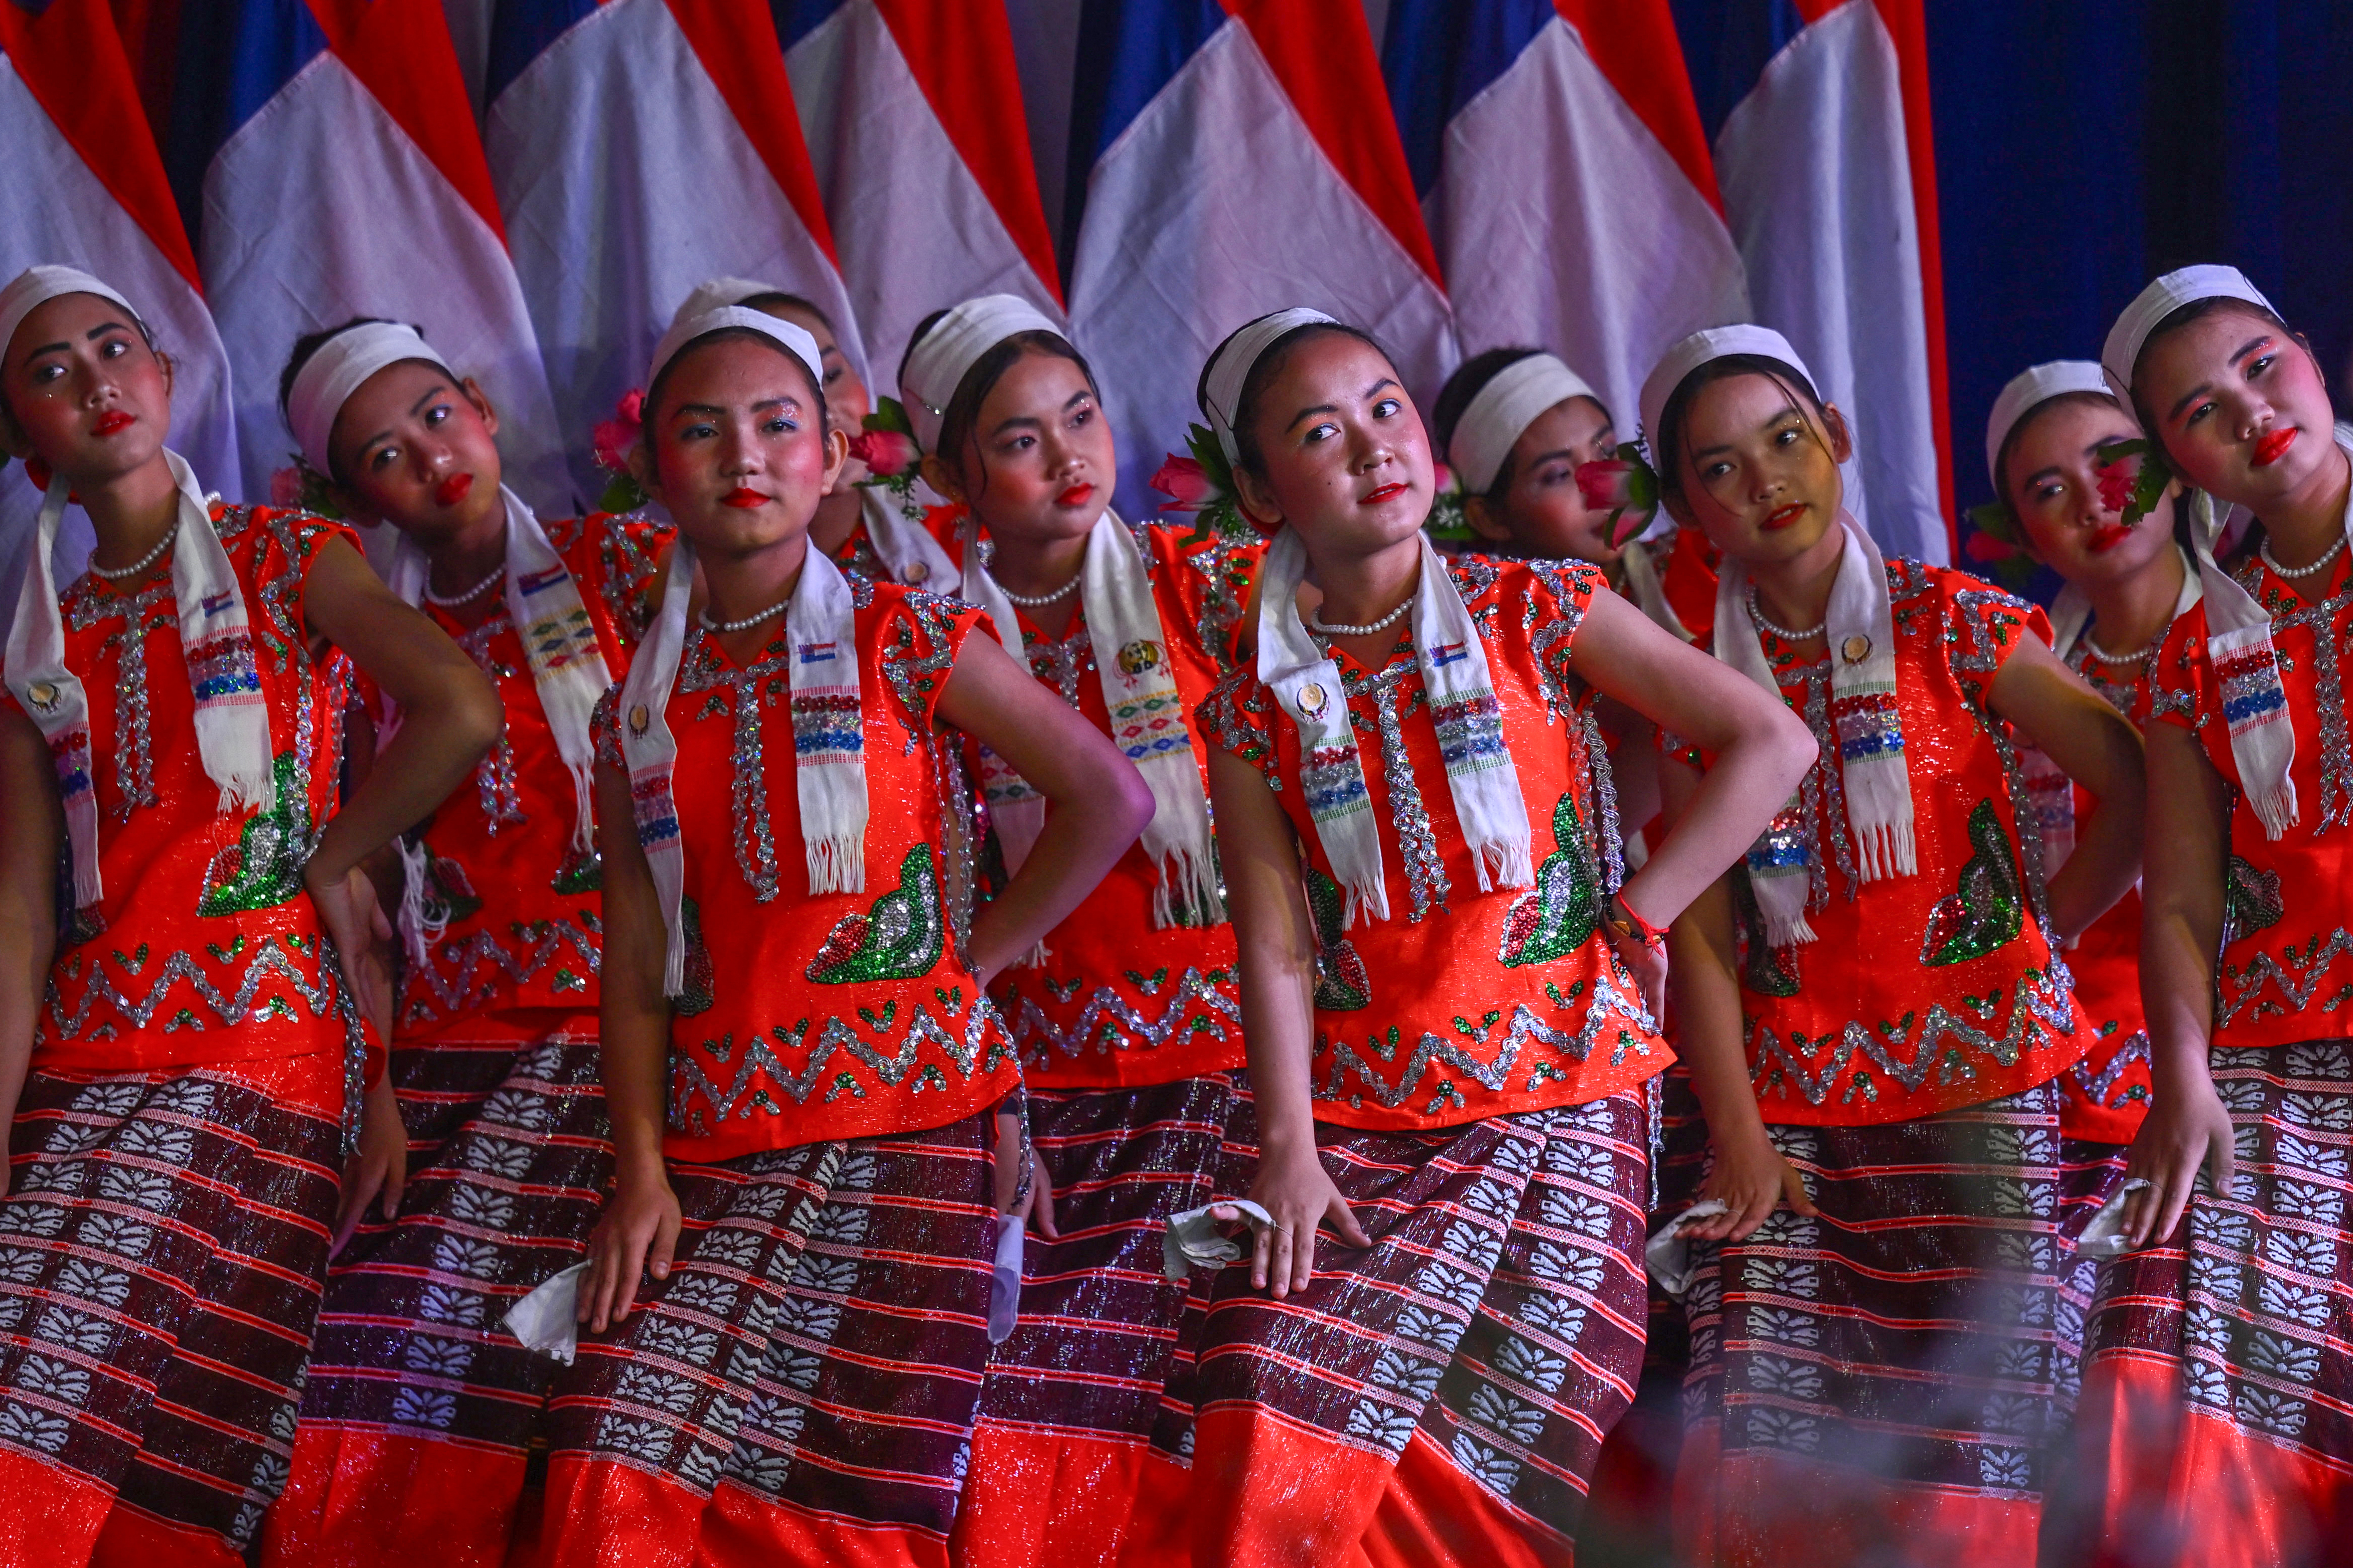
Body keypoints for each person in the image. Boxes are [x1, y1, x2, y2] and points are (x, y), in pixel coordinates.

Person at [1187, 308, 1815, 1564]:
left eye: (1384, 407)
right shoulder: (1255, 695)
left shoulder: (1535, 605)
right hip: (1367, 1122)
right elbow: (1274, 945)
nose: (1371, 444)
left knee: (1492, 1477)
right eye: (1319, 432)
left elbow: (1770, 741)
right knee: (1272, 1419)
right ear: (1258, 493)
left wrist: (1635, 908)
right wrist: (1288, 1149)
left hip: (1567, 1103)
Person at [532, 303, 1150, 1567]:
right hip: (714, 1146)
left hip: (913, 1131)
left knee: (844, 1515)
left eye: (776, 425)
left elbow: (1110, 796)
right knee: (610, 1477)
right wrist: (638, 1171)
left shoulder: (903, 634)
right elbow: (638, 967)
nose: (743, 457)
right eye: (702, 431)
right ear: (652, 471)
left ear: (832, 457)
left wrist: (967, 966)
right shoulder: (634, 708)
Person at [0, 265, 499, 1565]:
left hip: (260, 1051)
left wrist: (329, 855)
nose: (96, 381)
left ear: (167, 375)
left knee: (100, 1417)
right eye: (51, 370)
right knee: (118, 1425)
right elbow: (20, 918)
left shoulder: (287, 557)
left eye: (114, 347)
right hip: (80, 1061)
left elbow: (458, 704)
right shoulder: (40, 648)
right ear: (20, 432)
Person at [1642, 326, 2145, 1566]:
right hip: (1786, 1118)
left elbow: (2134, 778)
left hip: (1983, 1102)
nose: (1766, 481)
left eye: (1784, 439)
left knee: (1974, 1453)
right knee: (1760, 1458)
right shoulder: (1697, 685)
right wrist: (1736, 1132)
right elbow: (1698, 932)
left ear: (1836, 437)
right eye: (1720, 468)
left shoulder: (1951, 621)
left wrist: (2041, 929)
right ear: (1687, 508)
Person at [254, 319, 670, 1568]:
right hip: (453, 1059)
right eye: (386, 454)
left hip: (641, 1038)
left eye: (437, 416)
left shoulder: (635, 570)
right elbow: (360, 899)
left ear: (483, 407)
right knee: (380, 1371)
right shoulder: (362, 653)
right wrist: (376, 1087)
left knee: (597, 1388)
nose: (433, 460)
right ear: (348, 499)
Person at [884, 296, 1266, 1567]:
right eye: (1019, 440)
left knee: (1215, 1417)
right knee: (1035, 1424)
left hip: (1231, 1069)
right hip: (1049, 1086)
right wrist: (982, 1062)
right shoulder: (922, 641)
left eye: (1081, 416)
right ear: (951, 480)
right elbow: (930, 882)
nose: (1068, 457)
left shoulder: (1208, 586)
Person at [2075, 266, 2353, 1567]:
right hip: (2271, 1063)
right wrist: (2180, 1077)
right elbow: (2180, 900)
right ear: (2172, 462)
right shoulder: (2198, 646)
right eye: (2197, 410)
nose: (2248, 412)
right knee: (2163, 1386)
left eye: (2256, 366)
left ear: (2305, 352)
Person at [1975, 362, 2196, 1433]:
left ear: (2173, 466)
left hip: (2254, 1047)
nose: (2095, 504)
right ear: (2019, 530)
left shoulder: (2267, 629)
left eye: (2114, 464)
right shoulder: (2018, 676)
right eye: (2047, 490)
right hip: (2071, 1081)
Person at [673, 278, 960, 593]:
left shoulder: (963, 545)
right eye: (777, 407)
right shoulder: (674, 593)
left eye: (832, 375)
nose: (826, 413)